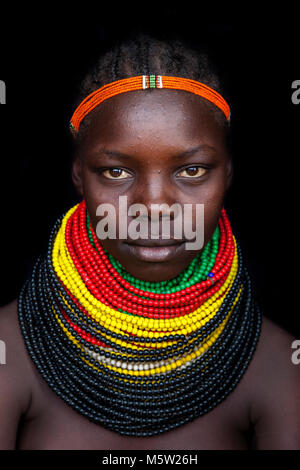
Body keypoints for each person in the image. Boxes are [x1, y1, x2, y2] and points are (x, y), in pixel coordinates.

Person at [0, 33, 299, 451]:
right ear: (77, 175)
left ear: (228, 174)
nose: (154, 206)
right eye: (116, 172)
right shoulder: (9, 350)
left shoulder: (279, 365)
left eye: (192, 170)